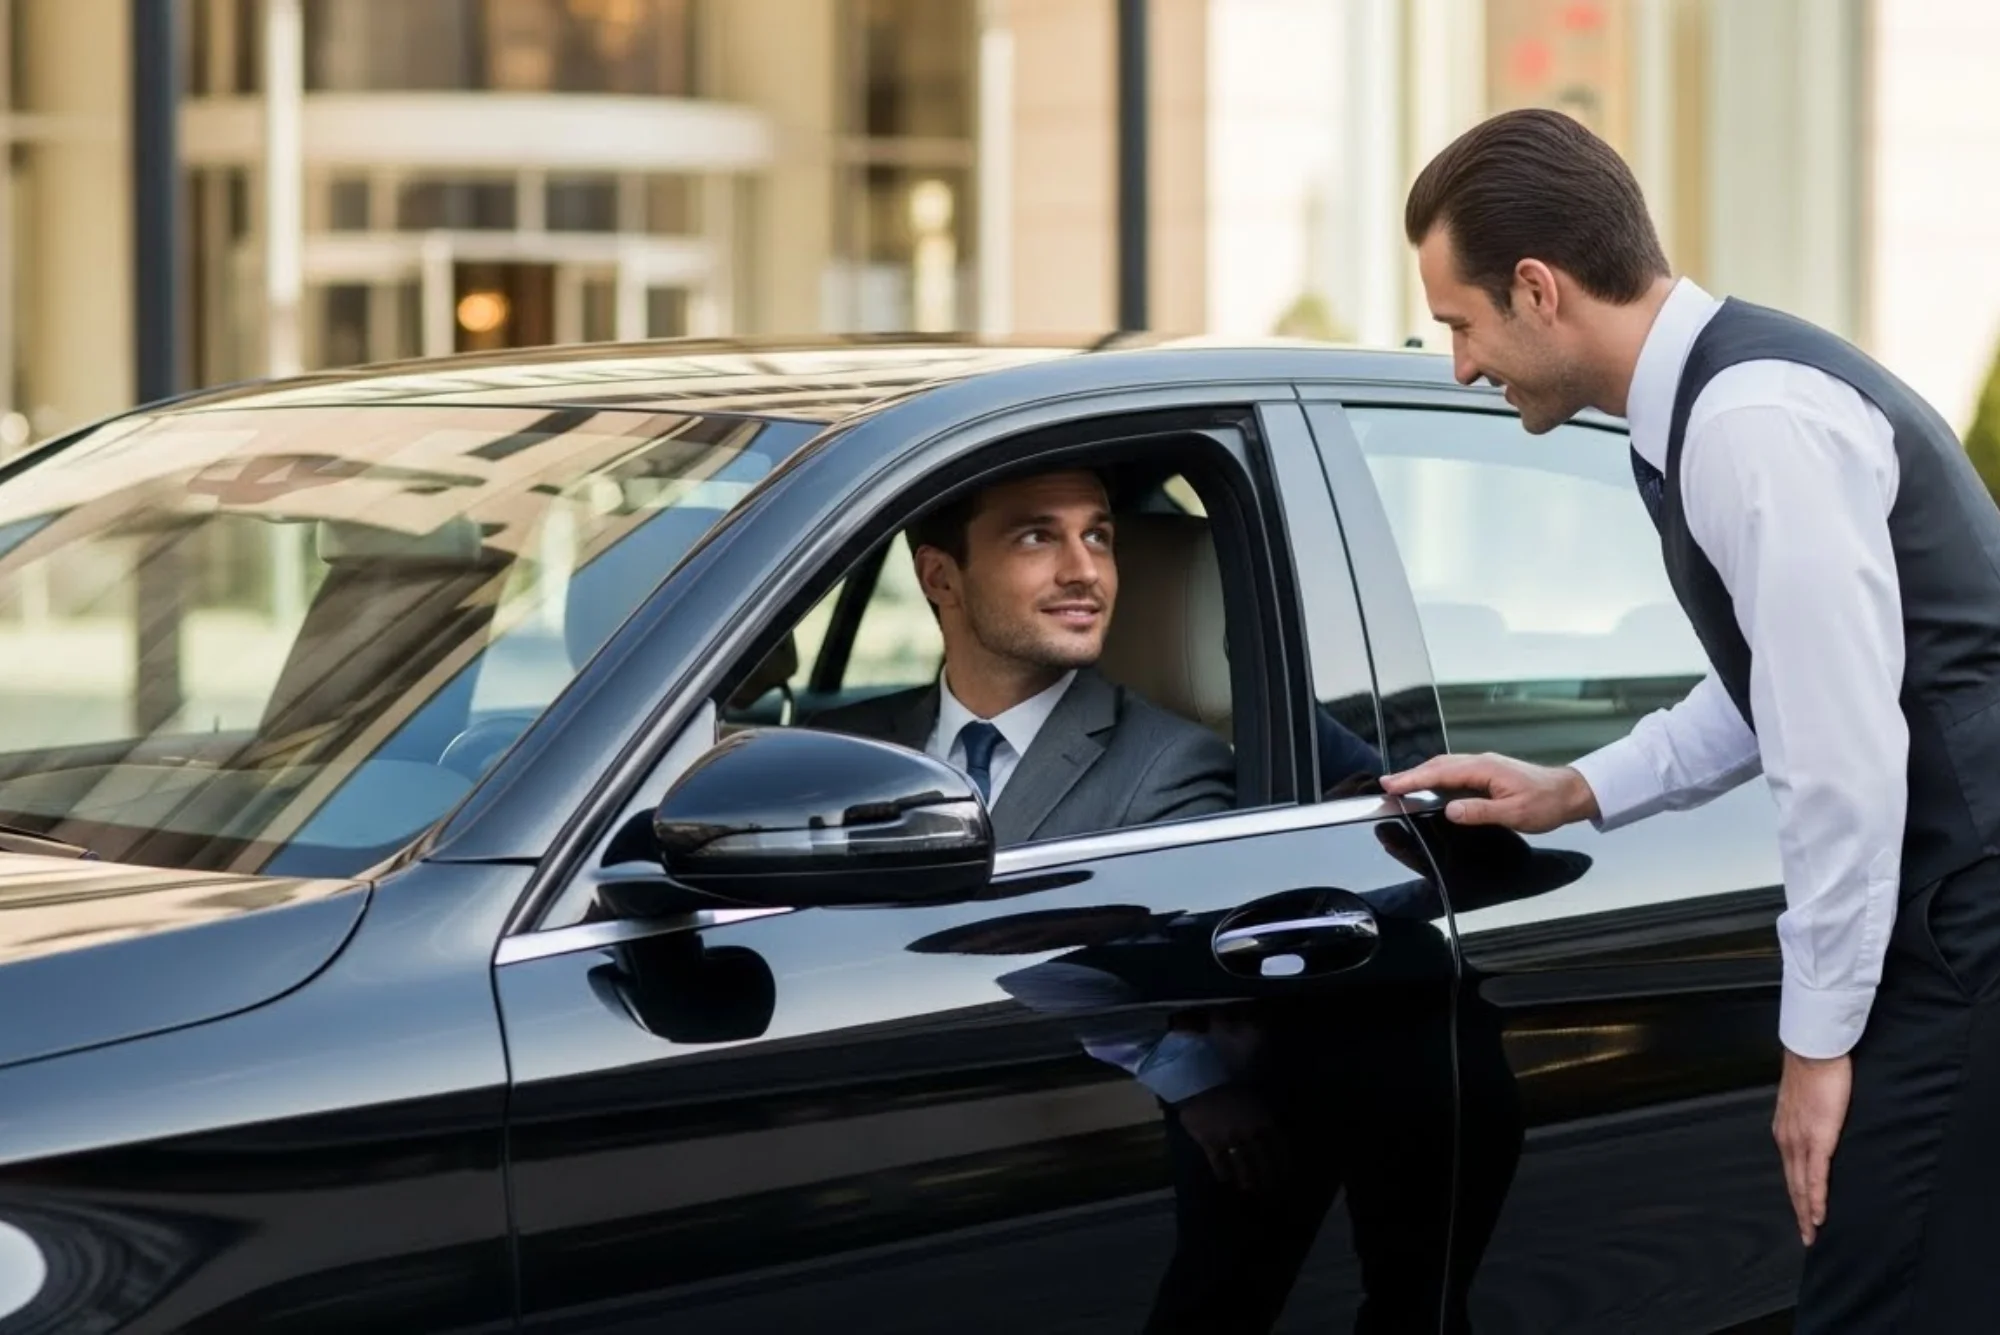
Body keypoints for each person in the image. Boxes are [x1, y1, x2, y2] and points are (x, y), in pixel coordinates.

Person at [1381, 106, 2000, 1333]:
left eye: (1459, 324)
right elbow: (1781, 679)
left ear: (1537, 289)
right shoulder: (1710, 404)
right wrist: (1577, 789)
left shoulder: (1747, 423)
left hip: (1965, 922)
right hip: (1954, 908)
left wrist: (1815, 1049)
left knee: (1883, 1304)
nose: (1458, 364)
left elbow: (1839, 753)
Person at [811, 467, 1235, 846]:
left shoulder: (1172, 771)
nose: (1085, 571)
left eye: (1096, 537)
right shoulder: (837, 750)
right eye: (1037, 537)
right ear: (940, 578)